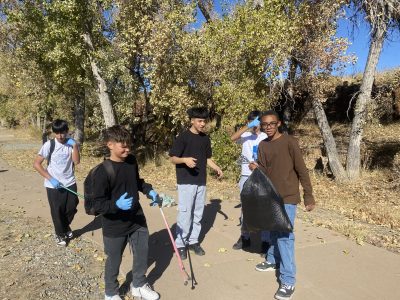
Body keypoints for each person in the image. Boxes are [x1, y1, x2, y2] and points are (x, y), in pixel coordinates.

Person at [89, 125, 160, 300]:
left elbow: (137, 182)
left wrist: (149, 191)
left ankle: (138, 284)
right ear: (110, 144)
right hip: (114, 224)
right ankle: (111, 293)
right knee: (114, 259)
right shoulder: (102, 172)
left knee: (142, 252)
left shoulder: (131, 161)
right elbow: (97, 204)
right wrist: (116, 205)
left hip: (136, 218)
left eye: (129, 145)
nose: (128, 149)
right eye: (123, 145)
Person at [252, 110, 315, 300]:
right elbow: (265, 169)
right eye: (265, 124)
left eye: (272, 123)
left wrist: (308, 195)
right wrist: (257, 168)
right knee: (272, 230)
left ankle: (288, 280)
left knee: (285, 237)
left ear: (278, 123)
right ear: (261, 126)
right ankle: (272, 259)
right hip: (270, 195)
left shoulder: (289, 141)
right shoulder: (262, 145)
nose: (268, 127)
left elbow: (301, 169)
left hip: (288, 196)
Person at [169, 107, 223, 260]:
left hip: (201, 181)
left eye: (204, 121)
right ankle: (180, 244)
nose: (202, 124)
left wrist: (216, 168)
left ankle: (193, 241)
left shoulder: (205, 138)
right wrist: (184, 160)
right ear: (192, 120)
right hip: (186, 182)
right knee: (185, 214)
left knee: (198, 214)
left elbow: (207, 158)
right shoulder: (183, 137)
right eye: (199, 121)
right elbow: (173, 158)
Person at [33, 119, 80, 247]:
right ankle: (60, 234)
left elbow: (76, 162)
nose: (60, 136)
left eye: (63, 132)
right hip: (53, 184)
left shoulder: (71, 144)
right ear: (54, 133)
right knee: (57, 210)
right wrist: (51, 179)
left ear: (67, 131)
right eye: (57, 133)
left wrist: (75, 146)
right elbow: (36, 164)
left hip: (69, 181)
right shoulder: (49, 145)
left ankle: (65, 227)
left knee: (72, 206)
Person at [230, 110, 270, 253]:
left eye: (257, 122)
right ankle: (244, 237)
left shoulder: (265, 136)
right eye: (252, 121)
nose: (255, 125)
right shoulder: (246, 135)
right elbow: (232, 138)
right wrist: (248, 126)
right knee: (245, 209)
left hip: (262, 176)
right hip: (246, 176)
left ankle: (266, 240)